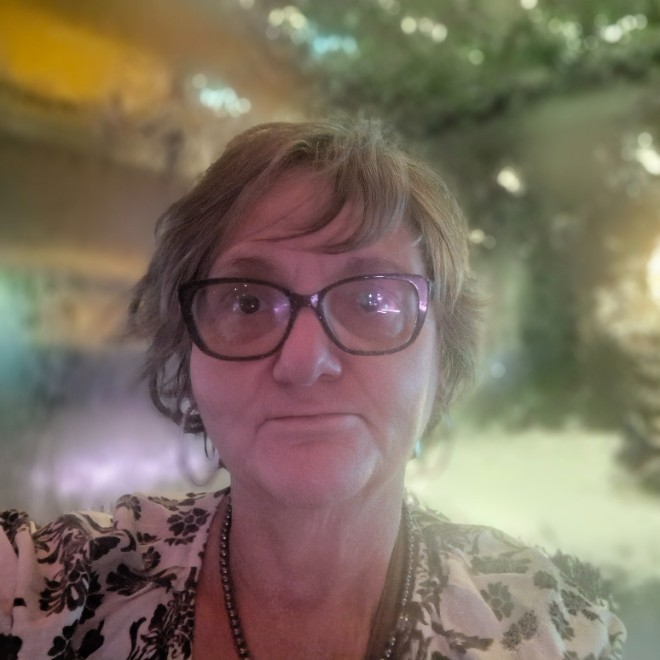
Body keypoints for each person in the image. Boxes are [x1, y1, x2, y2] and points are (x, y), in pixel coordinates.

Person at [0, 119, 625, 659]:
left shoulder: (553, 631)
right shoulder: (47, 590)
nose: (304, 361)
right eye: (247, 302)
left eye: (372, 300)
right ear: (187, 355)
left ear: (443, 357)